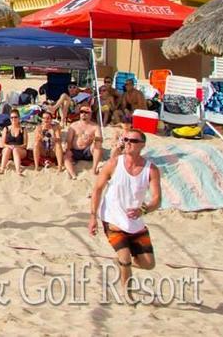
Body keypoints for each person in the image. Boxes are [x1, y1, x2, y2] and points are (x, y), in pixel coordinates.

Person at [89, 128, 161, 303]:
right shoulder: (114, 163)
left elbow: (157, 199)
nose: (128, 143)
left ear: (142, 145)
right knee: (125, 257)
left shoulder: (150, 169)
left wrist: (144, 209)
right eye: (126, 139)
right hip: (112, 218)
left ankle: (122, 264)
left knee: (148, 264)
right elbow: (97, 189)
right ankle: (126, 294)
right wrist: (93, 217)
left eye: (133, 141)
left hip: (135, 222)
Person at [64, 105, 105, 178]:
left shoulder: (95, 126)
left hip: (88, 151)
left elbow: (100, 139)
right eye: (81, 112)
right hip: (75, 151)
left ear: (90, 114)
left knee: (97, 144)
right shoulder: (73, 125)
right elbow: (69, 140)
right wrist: (68, 150)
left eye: (86, 112)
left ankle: (94, 169)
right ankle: (73, 175)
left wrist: (94, 139)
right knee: (66, 155)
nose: (83, 114)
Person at [0, 109, 27, 175]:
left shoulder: (23, 129)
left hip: (20, 150)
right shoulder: (6, 129)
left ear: (19, 118)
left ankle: (18, 170)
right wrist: (10, 146)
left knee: (15, 150)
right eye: (12, 117)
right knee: (7, 149)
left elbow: (25, 144)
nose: (13, 119)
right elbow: (3, 144)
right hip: (8, 149)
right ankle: (2, 168)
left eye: (15, 117)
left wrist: (16, 147)